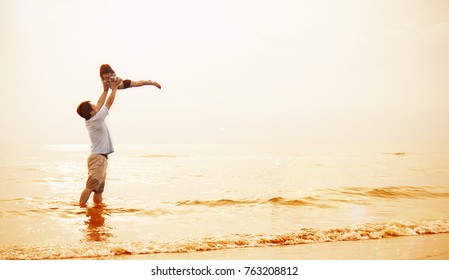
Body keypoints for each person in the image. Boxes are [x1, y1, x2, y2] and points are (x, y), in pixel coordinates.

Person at [76, 78, 121, 207]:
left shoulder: (92, 118)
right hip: (98, 158)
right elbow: (108, 103)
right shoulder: (97, 119)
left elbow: (101, 102)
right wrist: (114, 89)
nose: (96, 105)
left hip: (100, 158)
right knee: (90, 186)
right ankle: (81, 208)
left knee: (98, 190)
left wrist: (105, 89)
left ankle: (97, 214)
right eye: (93, 106)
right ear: (91, 112)